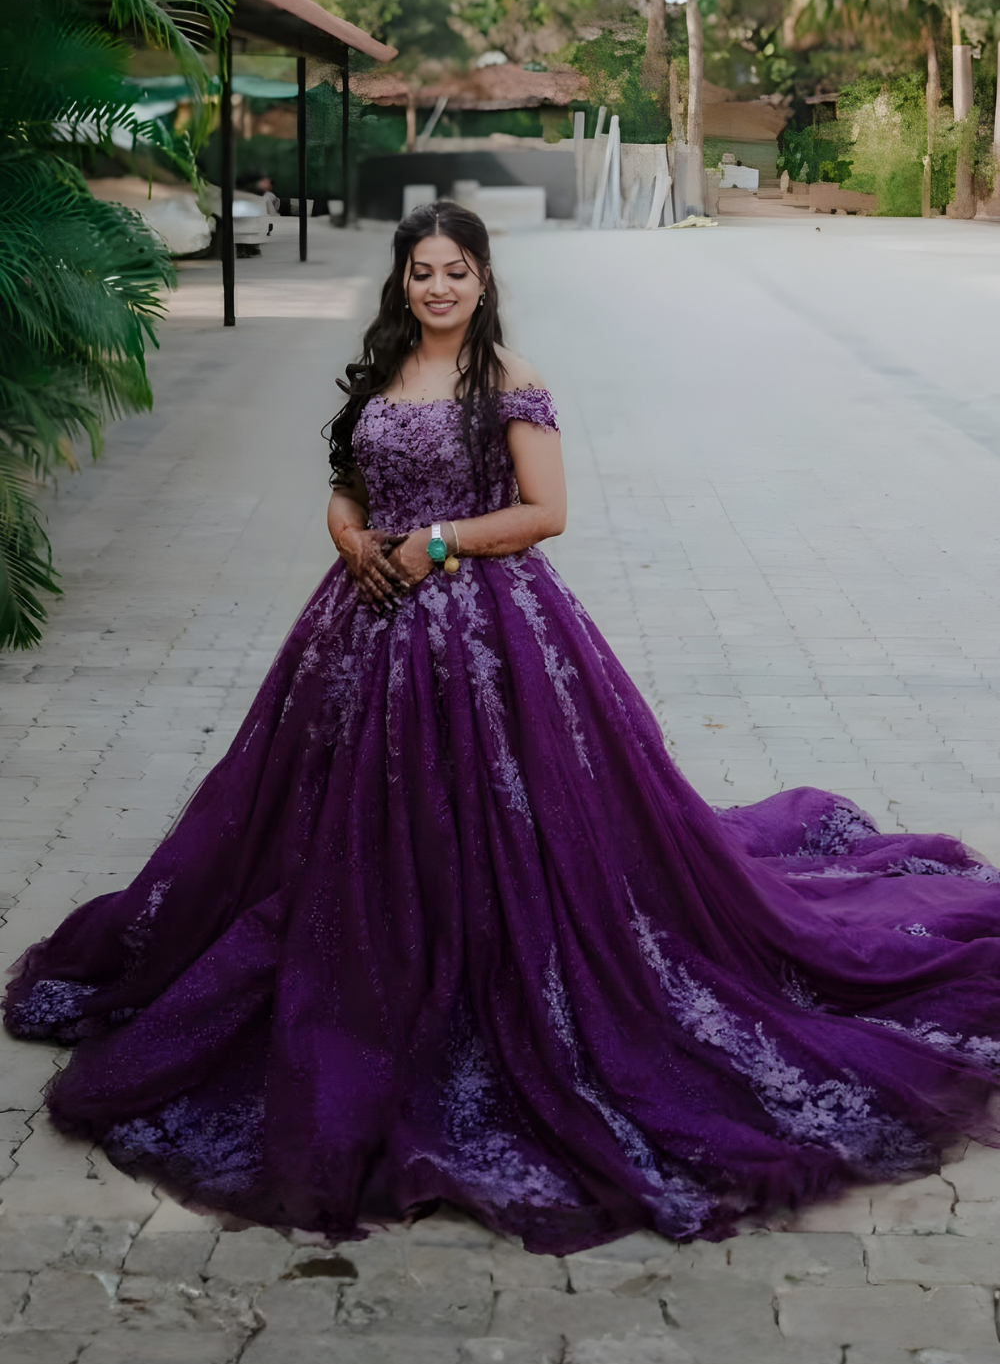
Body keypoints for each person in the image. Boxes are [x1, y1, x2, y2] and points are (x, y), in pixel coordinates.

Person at [7, 201, 1000, 1258]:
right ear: (403, 282)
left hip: (486, 633)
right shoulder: (382, 369)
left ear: (482, 280)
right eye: (422, 272)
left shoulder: (509, 381)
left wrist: (433, 542)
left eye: (456, 272)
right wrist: (350, 536)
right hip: (361, 625)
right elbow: (347, 488)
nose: (437, 287)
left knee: (511, 824)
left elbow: (543, 511)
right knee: (331, 818)